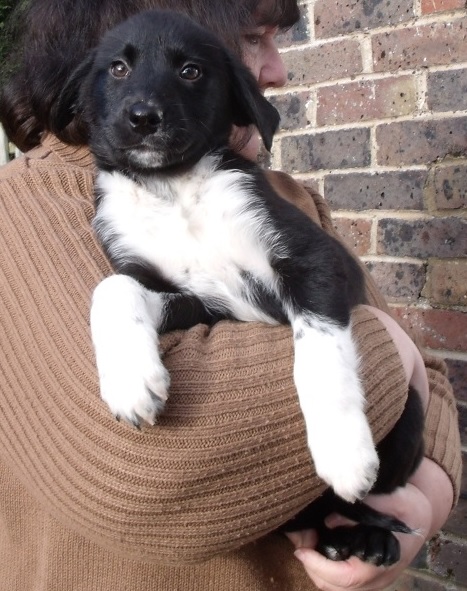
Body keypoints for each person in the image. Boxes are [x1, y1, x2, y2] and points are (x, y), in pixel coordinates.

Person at [0, 0, 461, 589]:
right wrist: (386, 346)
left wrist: (419, 506)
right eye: (254, 38)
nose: (277, 71)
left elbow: (429, 386)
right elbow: (141, 470)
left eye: (189, 71)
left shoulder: (282, 196)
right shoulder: (30, 213)